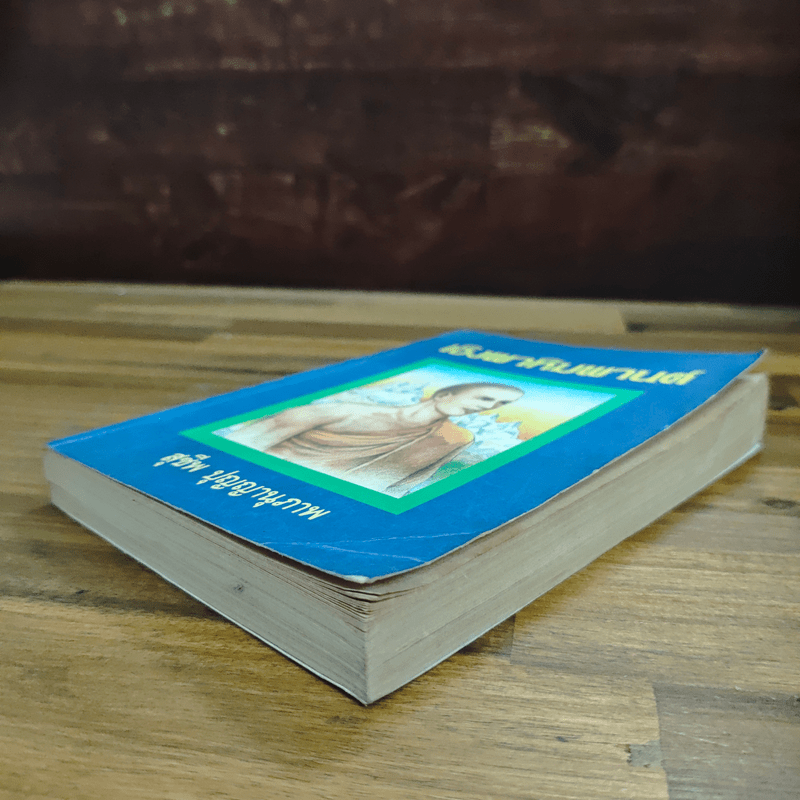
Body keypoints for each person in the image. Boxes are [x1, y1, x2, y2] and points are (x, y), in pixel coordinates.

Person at [219, 382, 524, 496]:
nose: (489, 407)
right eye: (485, 398)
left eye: (498, 404)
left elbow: (404, 485)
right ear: (445, 394)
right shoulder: (342, 410)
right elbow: (240, 446)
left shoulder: (457, 438)